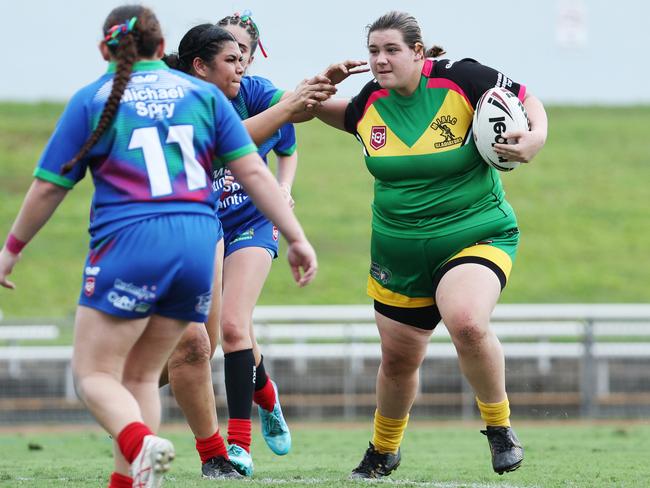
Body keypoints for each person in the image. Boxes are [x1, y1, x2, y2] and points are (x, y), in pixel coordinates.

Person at [0, 6, 318, 488]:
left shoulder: (95, 98)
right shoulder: (202, 96)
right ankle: (136, 477)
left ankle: (138, 442)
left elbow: (49, 186)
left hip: (131, 240)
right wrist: (295, 235)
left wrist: (12, 248)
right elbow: (253, 168)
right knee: (147, 375)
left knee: (93, 374)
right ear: (160, 44)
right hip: (197, 244)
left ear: (106, 47)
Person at [312, 11, 548, 480]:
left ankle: (499, 428)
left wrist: (535, 138)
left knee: (466, 322)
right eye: (374, 51)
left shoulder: (461, 78)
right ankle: (384, 450)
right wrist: (319, 86)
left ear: (418, 52)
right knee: (399, 359)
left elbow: (528, 100)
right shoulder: (367, 102)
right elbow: (324, 111)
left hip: (475, 231)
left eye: (391, 50)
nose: (380, 59)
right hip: (398, 249)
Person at [163, 22, 334, 478]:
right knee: (207, 338)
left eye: (244, 54)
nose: (239, 61)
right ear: (204, 61)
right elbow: (224, 145)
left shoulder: (255, 91)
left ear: (252, 57)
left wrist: (284, 188)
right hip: (204, 223)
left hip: (250, 220)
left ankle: (238, 444)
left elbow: (291, 126)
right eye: (231, 53)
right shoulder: (183, 101)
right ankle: (266, 394)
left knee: (236, 328)